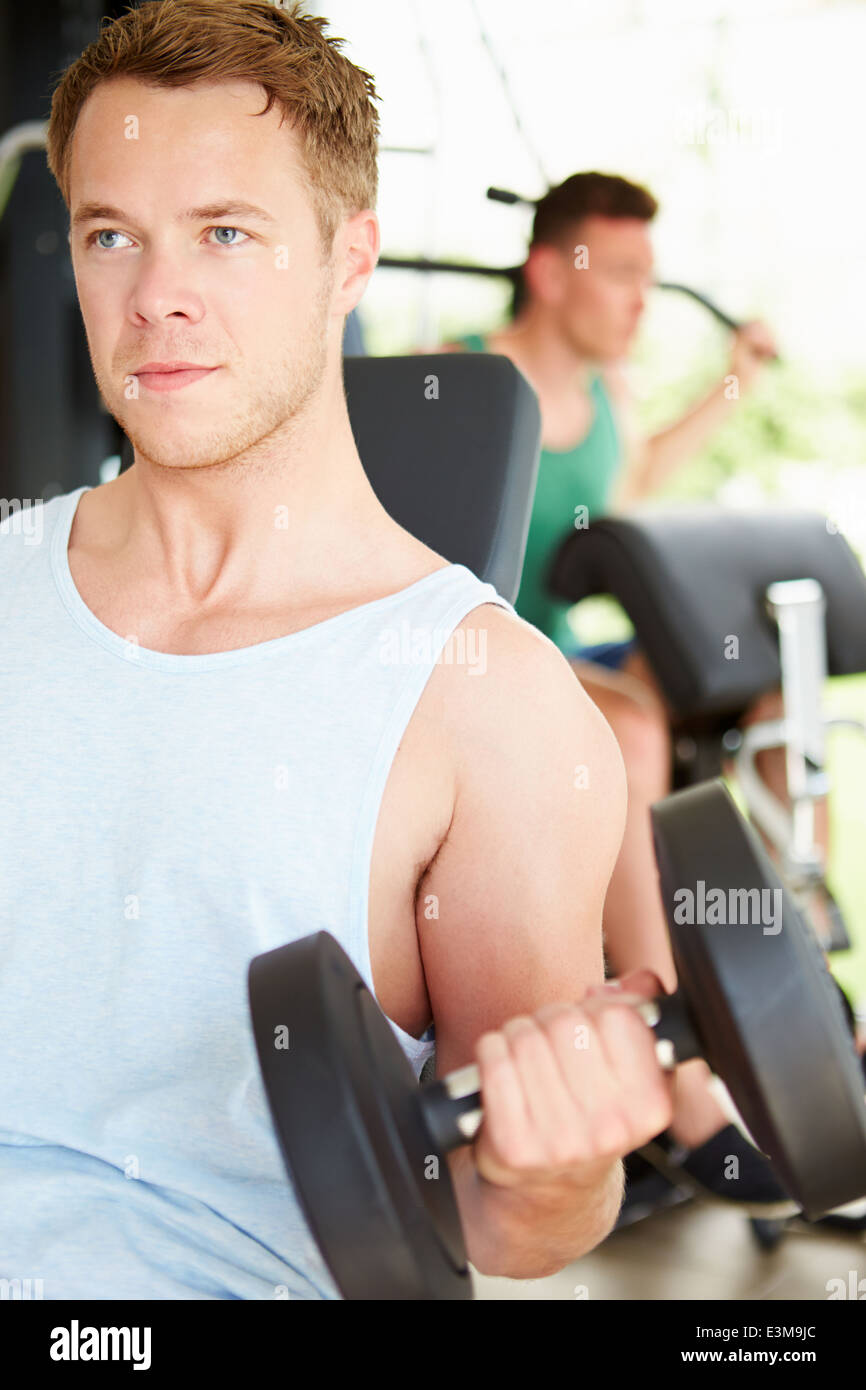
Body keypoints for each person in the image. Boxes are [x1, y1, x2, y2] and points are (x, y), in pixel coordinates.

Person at [0, 0, 682, 1300]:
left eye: (225, 233)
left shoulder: (494, 713)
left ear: (348, 256)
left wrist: (553, 1164)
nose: (155, 299)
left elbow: (513, 1214)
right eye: (110, 236)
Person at [430, 172, 801, 1185]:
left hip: (553, 651)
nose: (641, 298)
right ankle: (683, 1087)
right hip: (456, 662)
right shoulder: (451, 377)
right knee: (632, 726)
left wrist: (733, 384)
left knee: (755, 683)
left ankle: (793, 972)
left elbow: (631, 487)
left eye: (650, 275)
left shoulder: (605, 397)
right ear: (549, 272)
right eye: (622, 273)